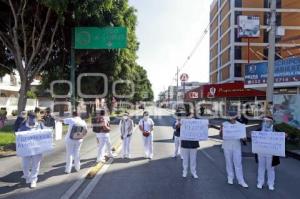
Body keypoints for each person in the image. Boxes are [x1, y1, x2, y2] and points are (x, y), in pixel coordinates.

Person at [219, 113, 248, 188]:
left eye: (232, 116)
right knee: (229, 163)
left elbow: (243, 137)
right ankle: (230, 178)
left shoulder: (240, 125)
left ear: (235, 117)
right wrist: (221, 130)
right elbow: (221, 136)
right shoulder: (224, 124)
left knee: (238, 163)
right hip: (227, 145)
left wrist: (244, 138)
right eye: (229, 116)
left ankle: (241, 180)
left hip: (236, 146)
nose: (230, 118)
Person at [18, 112, 43, 188]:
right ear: (28, 117)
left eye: (34, 117)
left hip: (37, 149)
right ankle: (27, 176)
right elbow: (19, 137)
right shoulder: (23, 126)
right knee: (25, 166)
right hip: (26, 150)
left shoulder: (39, 125)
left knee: (35, 165)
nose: (32, 119)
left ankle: (33, 180)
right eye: (31, 117)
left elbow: (45, 135)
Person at [256, 116, 279, 191]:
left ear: (271, 122)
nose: (266, 122)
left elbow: (281, 138)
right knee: (261, 167)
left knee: (271, 169)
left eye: (268, 121)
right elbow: (254, 136)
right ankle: (260, 182)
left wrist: (285, 136)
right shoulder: (260, 129)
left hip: (271, 153)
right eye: (264, 121)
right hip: (261, 152)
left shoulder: (275, 130)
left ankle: (271, 184)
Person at [180, 112, 199, 179]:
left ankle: (193, 172)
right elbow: (175, 127)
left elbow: (201, 130)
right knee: (185, 159)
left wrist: (206, 126)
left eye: (193, 116)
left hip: (194, 144)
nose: (192, 118)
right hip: (185, 143)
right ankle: (184, 171)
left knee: (193, 159)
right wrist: (179, 124)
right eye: (191, 116)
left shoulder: (196, 123)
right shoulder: (182, 122)